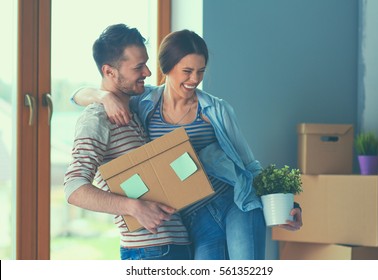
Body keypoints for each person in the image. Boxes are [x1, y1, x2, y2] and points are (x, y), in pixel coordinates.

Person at [73, 29, 303, 260]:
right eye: (187, 71)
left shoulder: (214, 109)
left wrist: (284, 204)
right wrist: (103, 97)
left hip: (232, 202)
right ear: (167, 68)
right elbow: (76, 96)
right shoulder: (142, 103)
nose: (195, 79)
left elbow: (249, 164)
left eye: (200, 71)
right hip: (193, 217)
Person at [64, 24, 192, 260]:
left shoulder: (137, 104)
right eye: (138, 67)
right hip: (150, 251)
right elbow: (73, 189)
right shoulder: (96, 118)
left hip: (175, 245)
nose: (147, 73)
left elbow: (76, 95)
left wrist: (104, 95)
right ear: (110, 72)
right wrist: (134, 208)